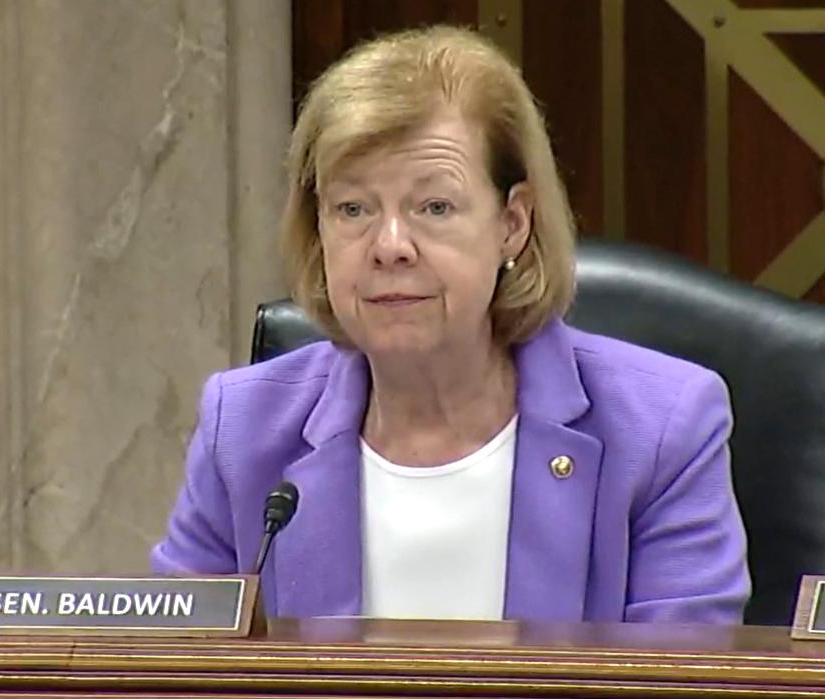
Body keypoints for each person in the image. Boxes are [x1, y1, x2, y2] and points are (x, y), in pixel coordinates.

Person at [151, 25, 750, 623]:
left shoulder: (662, 431)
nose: (390, 246)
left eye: (434, 207)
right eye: (353, 209)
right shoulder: (244, 429)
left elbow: (685, 673)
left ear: (511, 224)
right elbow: (169, 668)